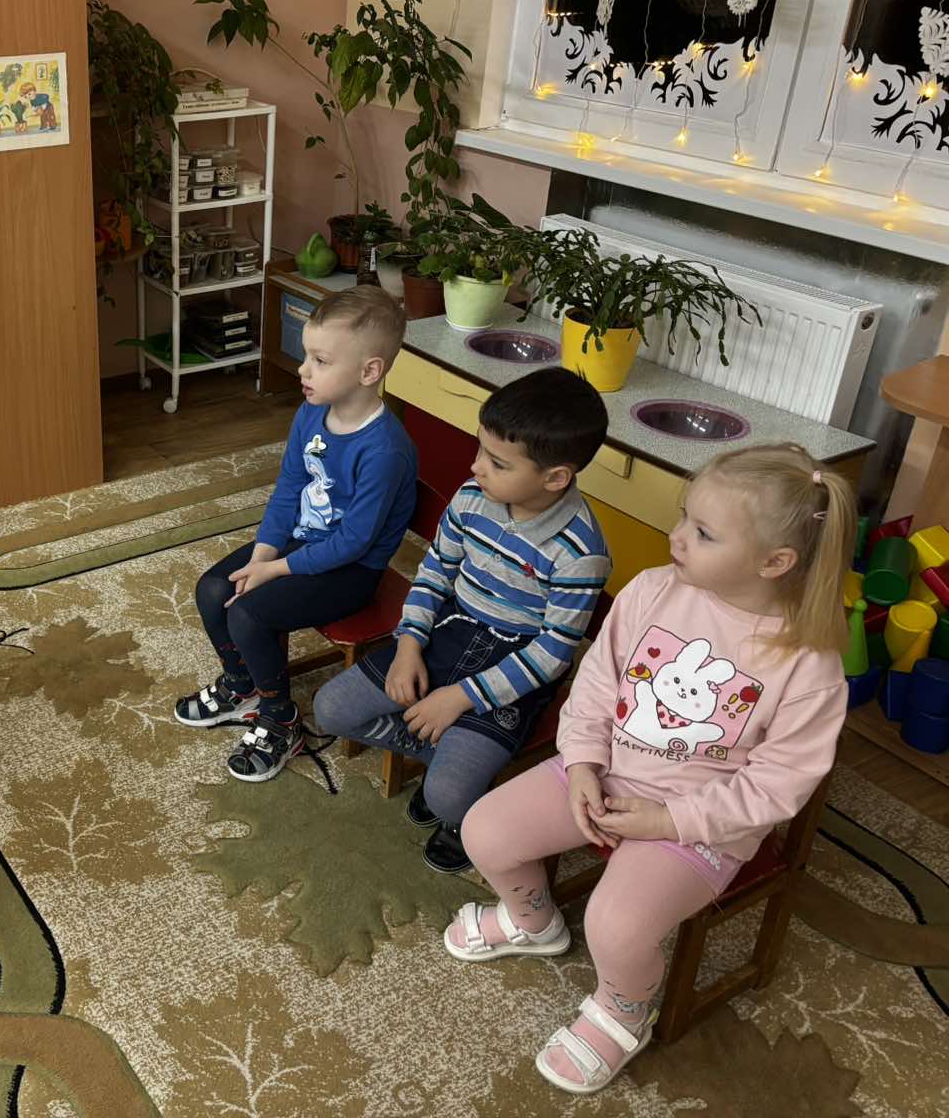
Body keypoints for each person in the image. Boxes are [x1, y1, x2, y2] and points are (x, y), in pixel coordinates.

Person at [443, 443, 855, 1096]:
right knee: (484, 829)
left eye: (704, 532)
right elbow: (597, 685)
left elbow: (778, 787)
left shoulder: (809, 664)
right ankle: (532, 920)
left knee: (617, 924)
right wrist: (582, 764)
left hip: (701, 823)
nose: (677, 535)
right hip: (606, 773)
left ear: (775, 562)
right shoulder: (652, 588)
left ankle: (623, 1008)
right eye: (686, 516)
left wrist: (669, 820)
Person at [313, 365, 612, 872]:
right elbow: (434, 573)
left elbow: (551, 655)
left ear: (555, 478)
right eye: (480, 450)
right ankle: (445, 760)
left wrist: (460, 698)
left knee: (449, 798)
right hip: (449, 632)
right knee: (331, 708)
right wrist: (409, 645)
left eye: (497, 462)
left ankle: (454, 801)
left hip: (515, 667)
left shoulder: (581, 552)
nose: (475, 467)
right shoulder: (473, 497)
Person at [177, 285, 417, 782]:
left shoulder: (385, 450)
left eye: (320, 360)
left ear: (369, 372)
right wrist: (261, 556)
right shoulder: (311, 411)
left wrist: (276, 569)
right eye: (307, 355)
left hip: (352, 570)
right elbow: (289, 489)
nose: (303, 370)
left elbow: (353, 542)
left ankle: (280, 718)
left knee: (247, 613)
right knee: (214, 589)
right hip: (301, 544)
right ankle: (243, 683)